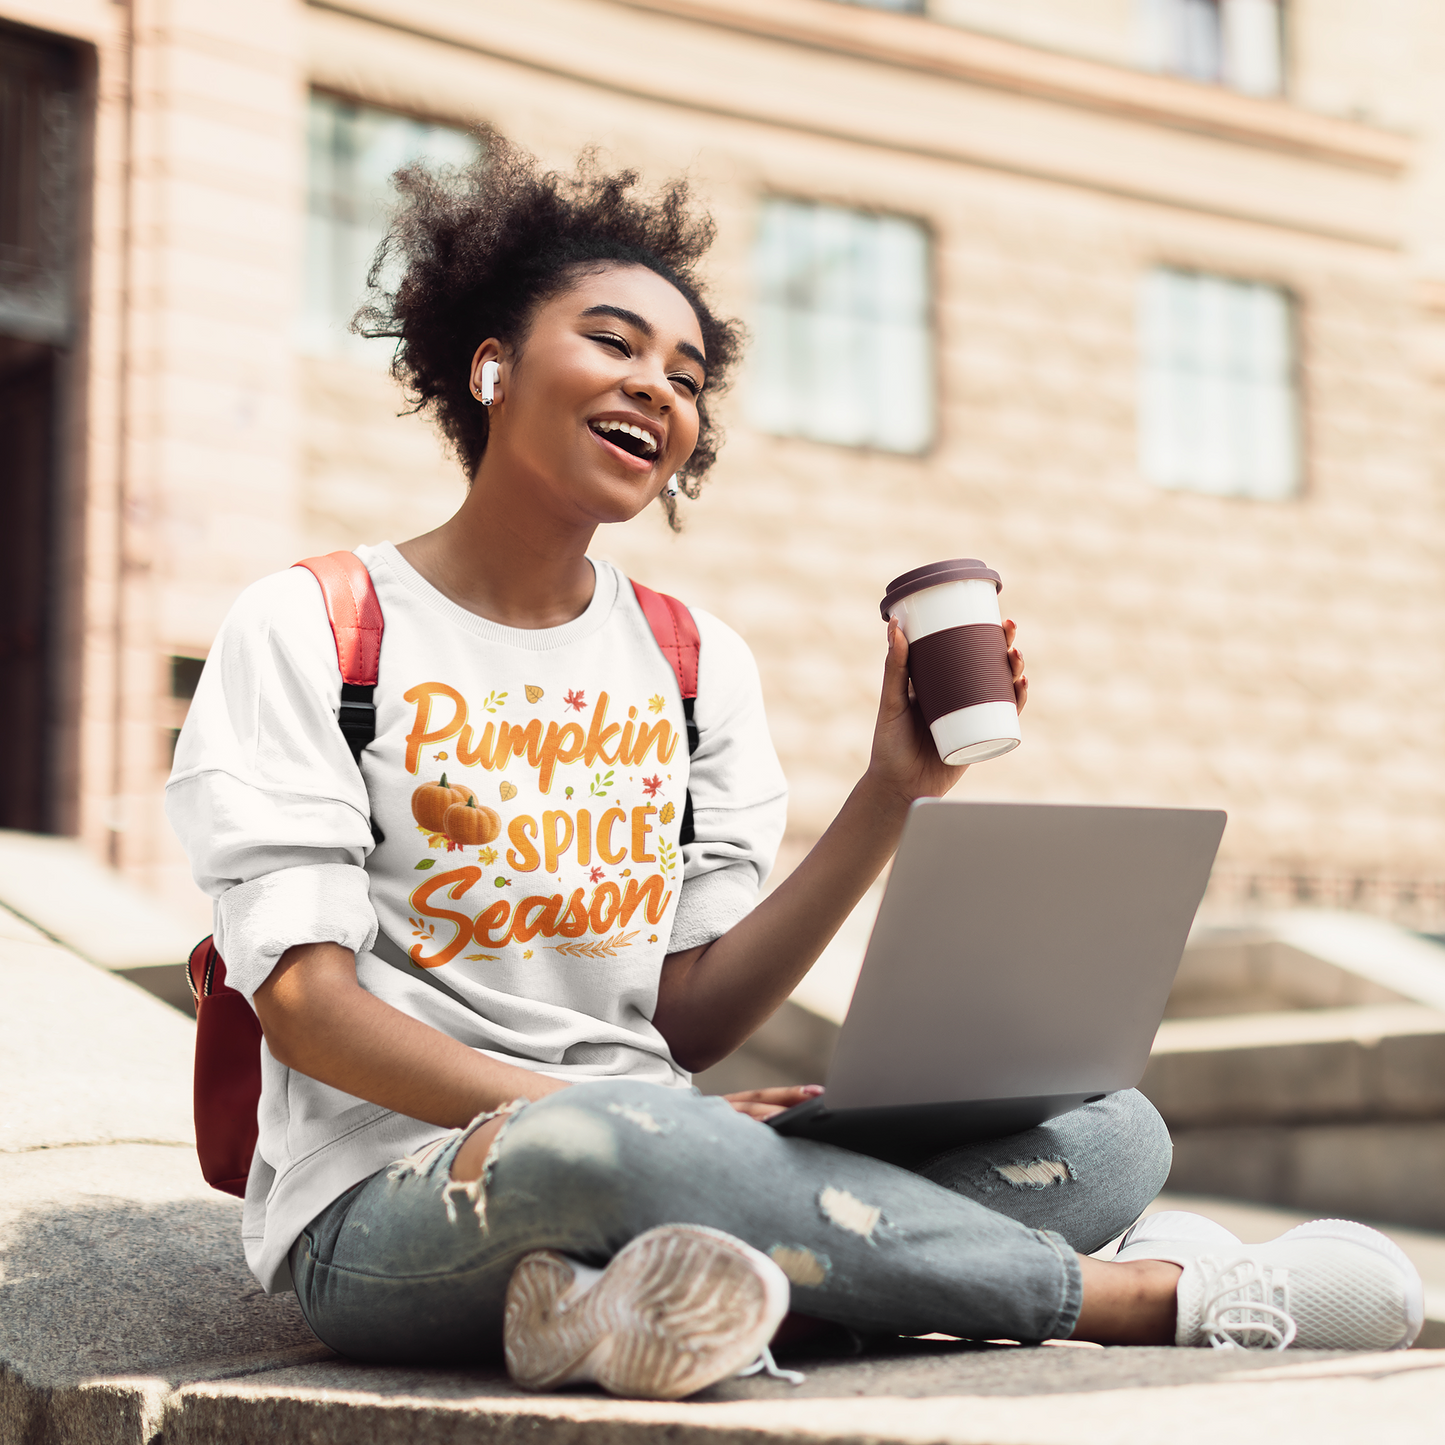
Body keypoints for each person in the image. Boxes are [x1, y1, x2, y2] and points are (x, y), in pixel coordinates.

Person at [167, 140, 1422, 1400]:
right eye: (613, 343)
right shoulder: (317, 622)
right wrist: (594, 1112)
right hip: (410, 1193)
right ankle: (1136, 1293)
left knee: (1106, 1131)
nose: (656, 387)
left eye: (686, 373)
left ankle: (618, 1312)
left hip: (669, 1149)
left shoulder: (689, 658)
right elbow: (307, 1006)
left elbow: (690, 1017)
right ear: (490, 363)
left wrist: (891, 792)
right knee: (612, 1142)